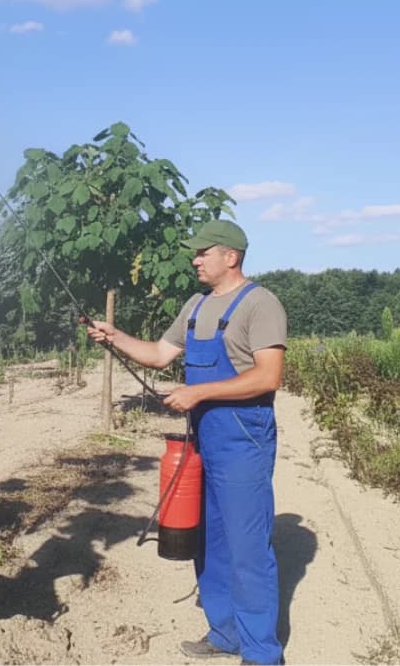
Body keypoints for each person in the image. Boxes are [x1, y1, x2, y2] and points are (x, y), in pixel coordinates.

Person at [86, 219, 287, 665]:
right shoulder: (195, 305)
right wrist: (115, 336)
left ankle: (261, 653)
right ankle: (225, 634)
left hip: (243, 441)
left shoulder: (260, 304)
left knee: (247, 549)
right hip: (202, 441)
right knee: (209, 541)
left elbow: (268, 376)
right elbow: (160, 355)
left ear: (231, 257)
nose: (195, 260)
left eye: (202, 252)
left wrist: (197, 393)